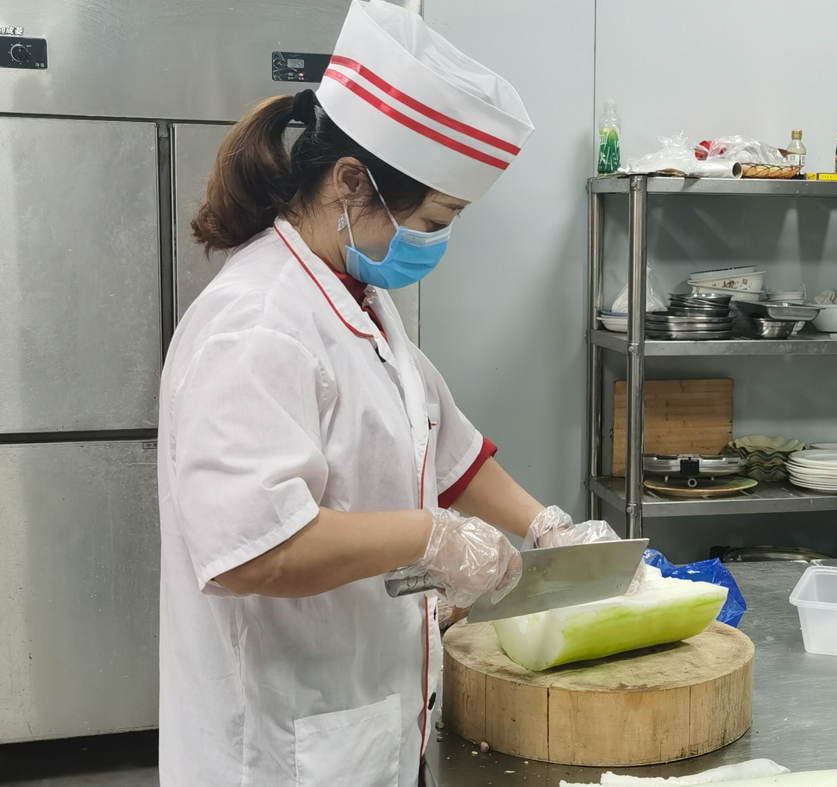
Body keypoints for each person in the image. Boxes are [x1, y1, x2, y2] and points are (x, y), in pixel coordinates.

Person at [156, 3, 622, 786]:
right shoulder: (256, 323)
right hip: (276, 745)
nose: (437, 241)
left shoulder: (359, 298)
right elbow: (254, 549)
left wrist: (547, 527)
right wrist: (429, 537)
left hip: (364, 717)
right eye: (435, 218)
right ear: (349, 182)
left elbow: (447, 445)